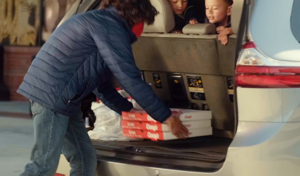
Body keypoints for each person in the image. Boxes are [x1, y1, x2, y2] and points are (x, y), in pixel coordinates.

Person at [17, 0, 189, 175]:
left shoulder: (102, 21)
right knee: (43, 165)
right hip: (53, 98)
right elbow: (129, 78)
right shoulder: (110, 28)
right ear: (136, 17)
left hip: (63, 99)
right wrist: (166, 117)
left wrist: (129, 111)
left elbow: (100, 85)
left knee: (85, 159)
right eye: (144, 22)